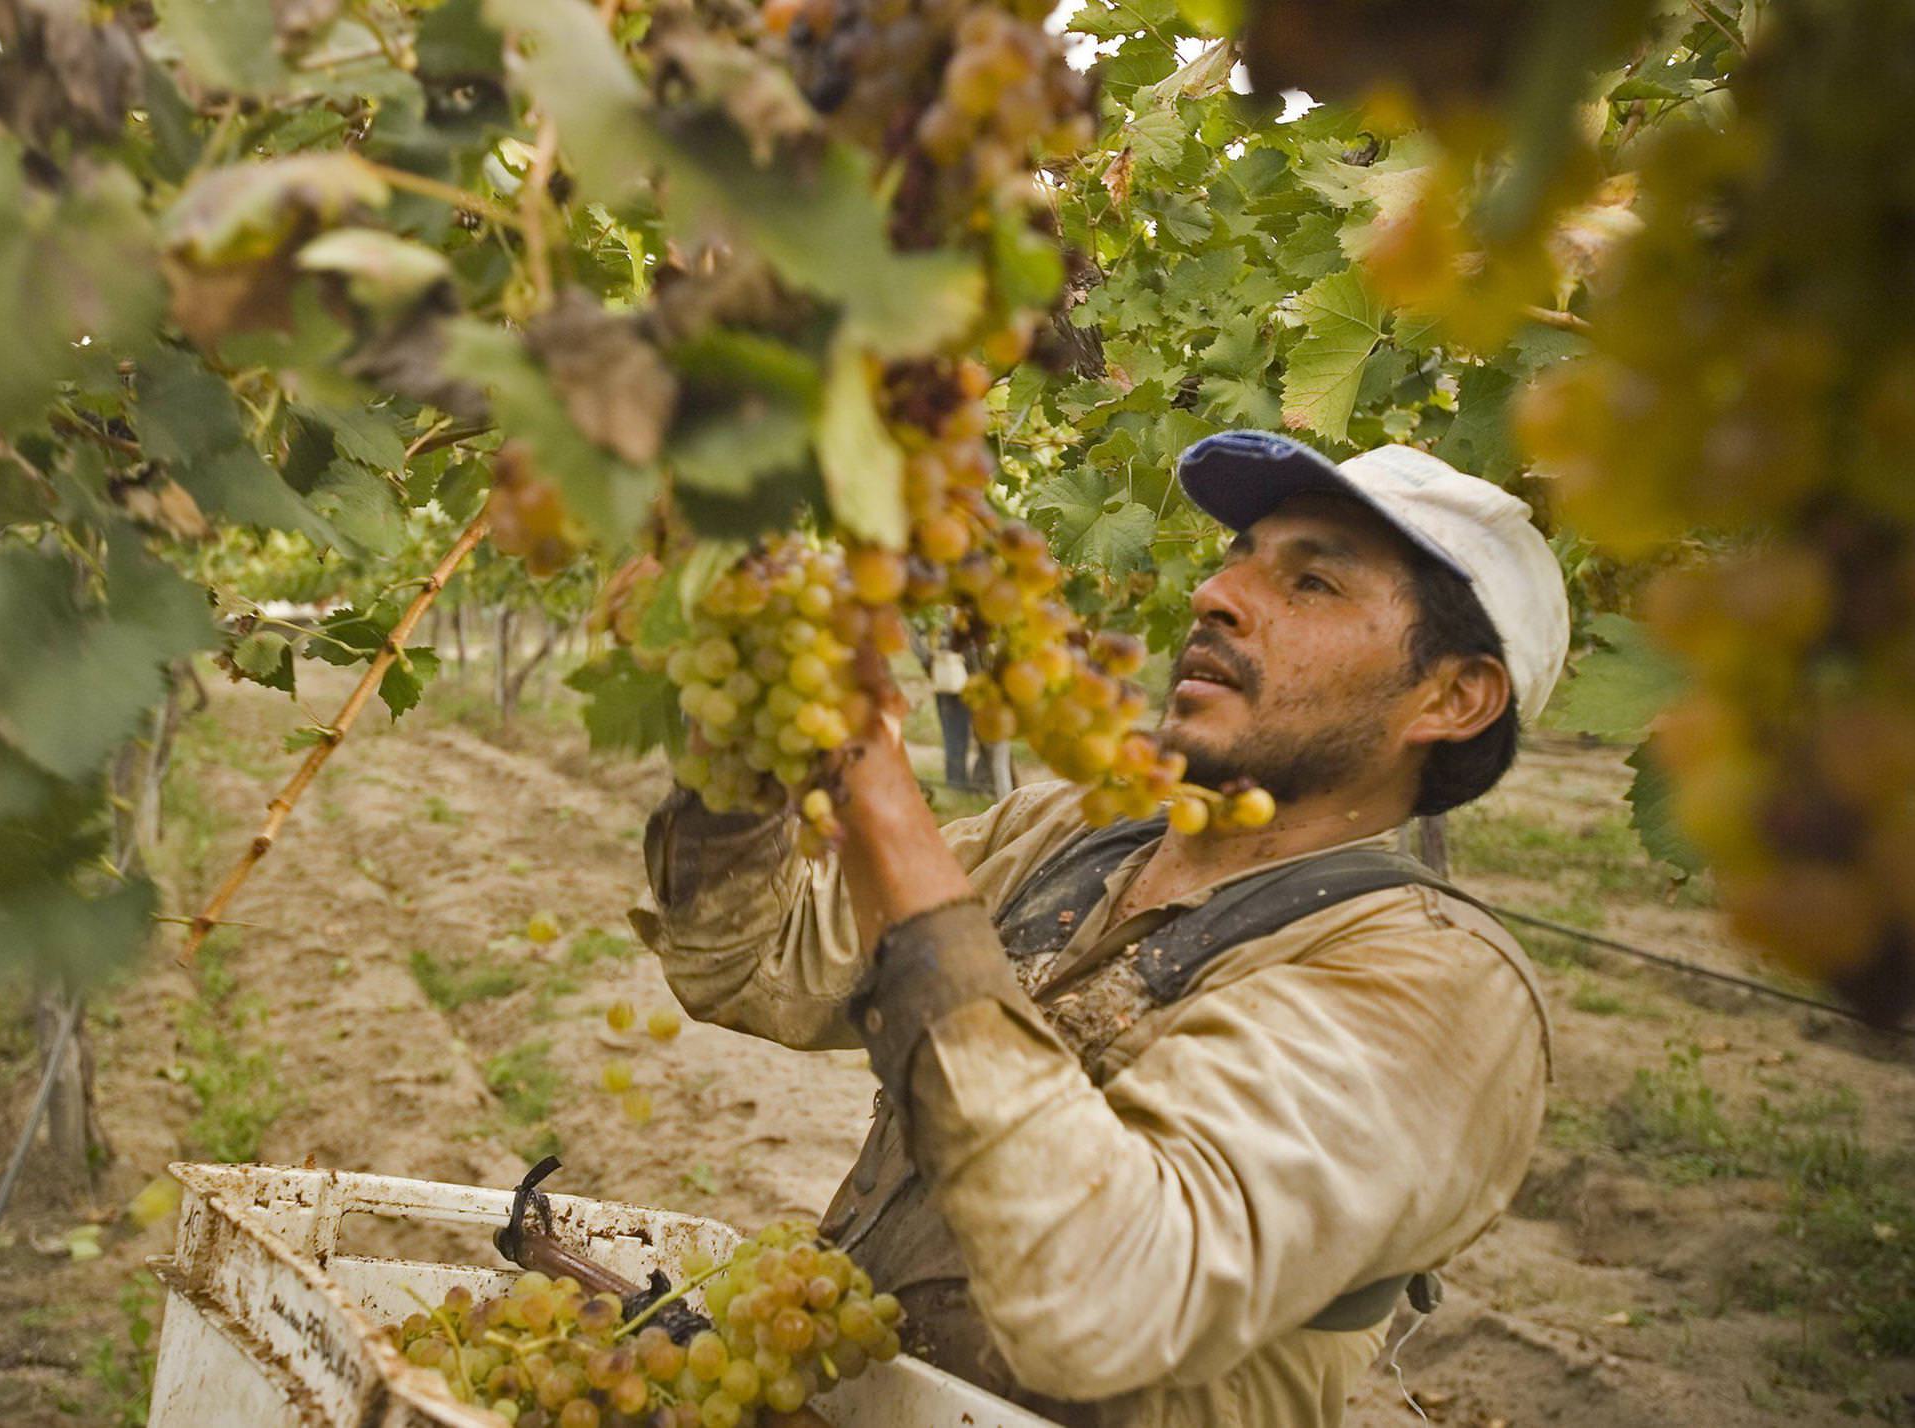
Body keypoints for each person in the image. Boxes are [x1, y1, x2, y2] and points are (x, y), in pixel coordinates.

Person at [631, 431, 1568, 1428]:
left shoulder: (1439, 986)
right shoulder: (1067, 835)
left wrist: (873, 785)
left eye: (1311, 585)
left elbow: (1106, 1292)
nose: (1218, 594)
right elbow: (748, 962)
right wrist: (745, 736)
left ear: (1454, 696)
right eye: (1238, 555)